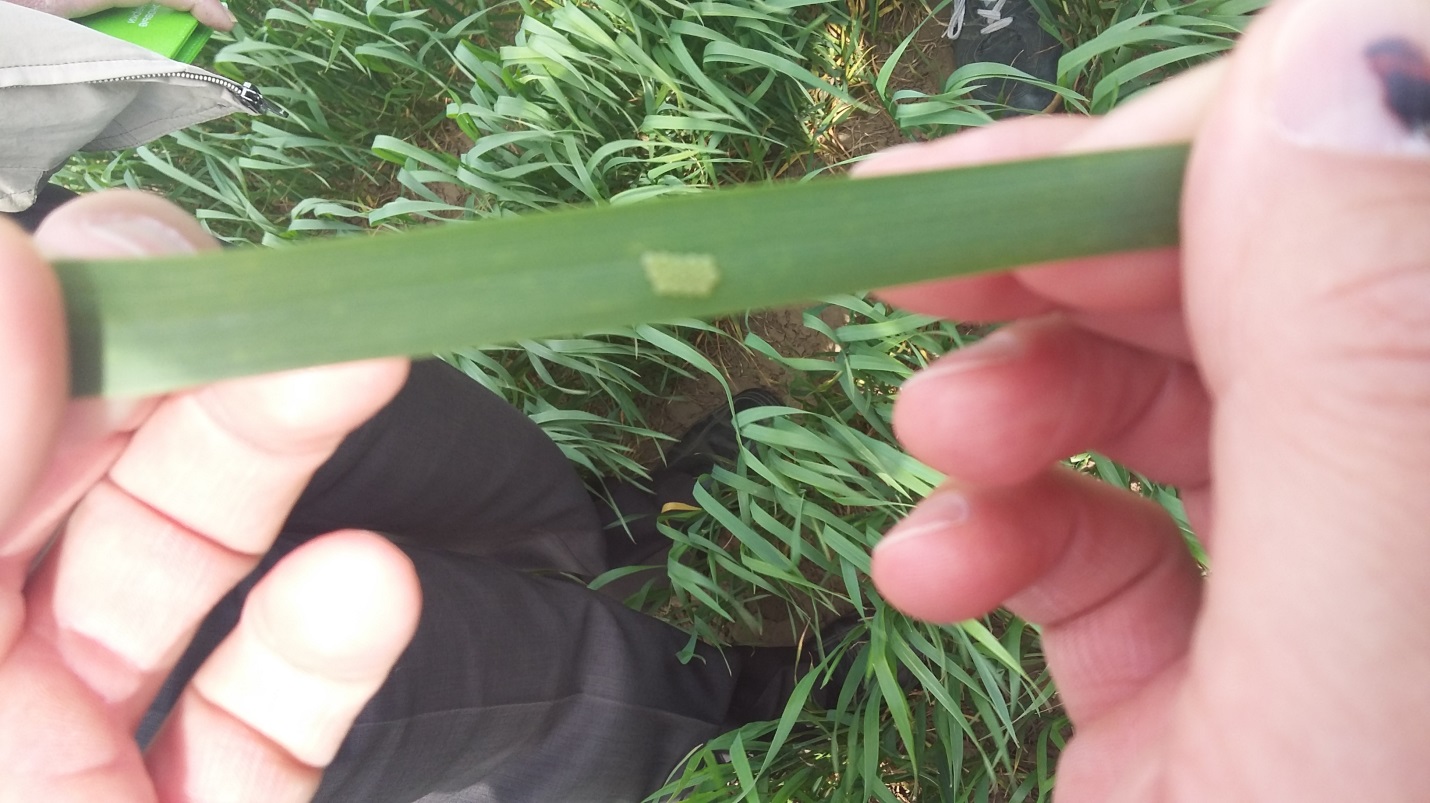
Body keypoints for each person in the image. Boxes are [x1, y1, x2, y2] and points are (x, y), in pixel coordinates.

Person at [2, 0, 1428, 800]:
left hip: (88, 336)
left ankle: (617, 534)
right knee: (431, 664)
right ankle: (715, 694)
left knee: (383, 434)